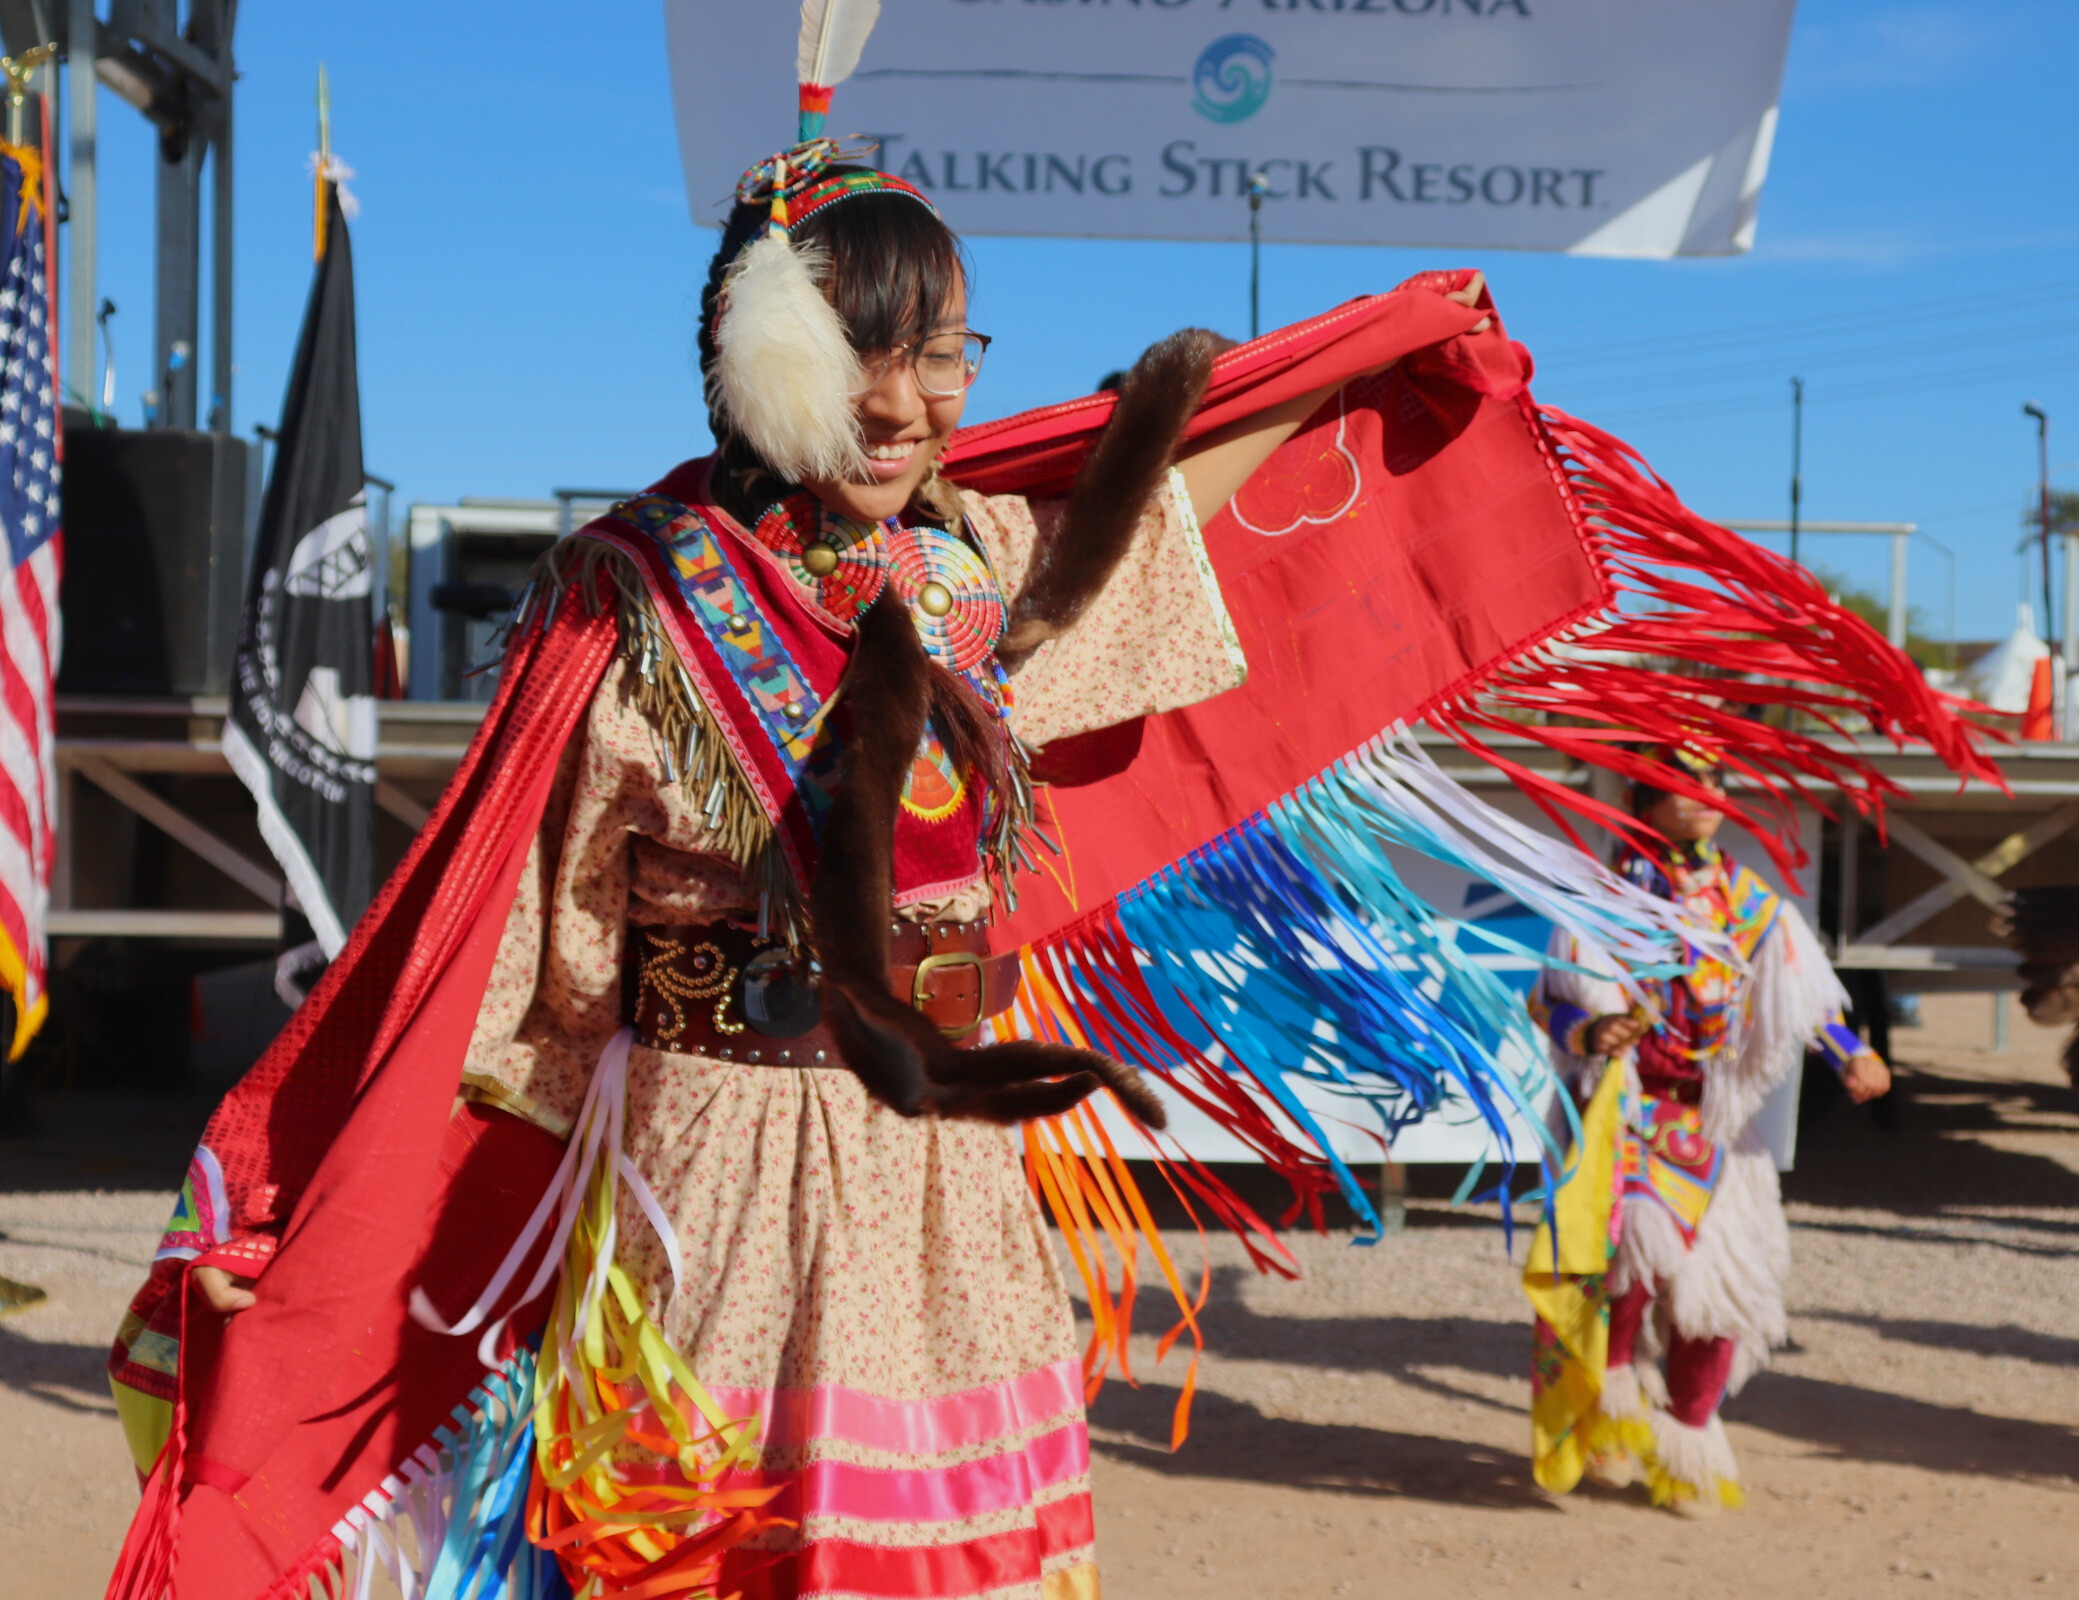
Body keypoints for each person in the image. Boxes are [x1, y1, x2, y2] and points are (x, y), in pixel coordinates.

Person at [102, 123, 1513, 1597]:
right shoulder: (636, 604)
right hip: (719, 1177)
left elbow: (1153, 515)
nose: (900, 404)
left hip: (945, 1177)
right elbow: (511, 967)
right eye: (853, 355)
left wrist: (1379, 350)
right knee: (724, 1551)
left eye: (940, 355)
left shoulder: (966, 571)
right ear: (755, 360)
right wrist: (332, 1230)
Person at [1523, 746, 1889, 1515]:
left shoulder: (1749, 906)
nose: (1702, 794)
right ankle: (1610, 1414)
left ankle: (1688, 1441)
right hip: (1628, 1117)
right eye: (1680, 782)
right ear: (1644, 798)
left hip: (1718, 1126)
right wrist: (1593, 1033)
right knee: (1625, 1274)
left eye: (1714, 780)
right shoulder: (1605, 899)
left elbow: (1801, 1000)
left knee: (1719, 1300)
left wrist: (1852, 1054)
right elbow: (1547, 1002)